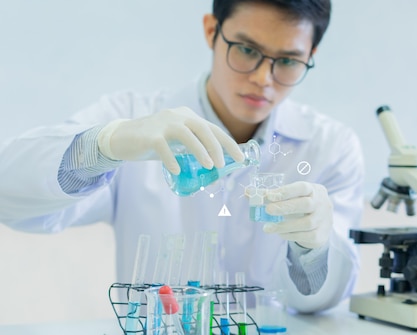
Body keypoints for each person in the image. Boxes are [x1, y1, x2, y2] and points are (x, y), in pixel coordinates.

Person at [0, 0, 364, 313]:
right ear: (211, 31)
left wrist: (312, 250)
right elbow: (9, 198)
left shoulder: (331, 148)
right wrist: (103, 145)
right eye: (247, 50)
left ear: (310, 56)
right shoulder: (130, 113)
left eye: (287, 60)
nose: (263, 78)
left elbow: (319, 302)